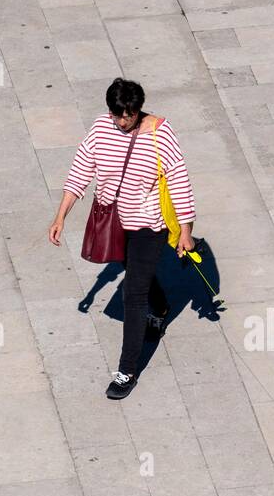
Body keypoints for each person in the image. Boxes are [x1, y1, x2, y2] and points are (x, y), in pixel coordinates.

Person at [48, 78, 196, 399]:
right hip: (114, 220)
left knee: (132, 294)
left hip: (149, 225)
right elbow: (80, 170)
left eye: (127, 115)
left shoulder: (160, 134)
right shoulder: (102, 128)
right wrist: (61, 215)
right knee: (131, 271)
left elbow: (179, 180)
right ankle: (161, 306)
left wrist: (185, 230)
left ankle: (126, 371)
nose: (121, 121)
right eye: (117, 115)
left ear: (137, 109)